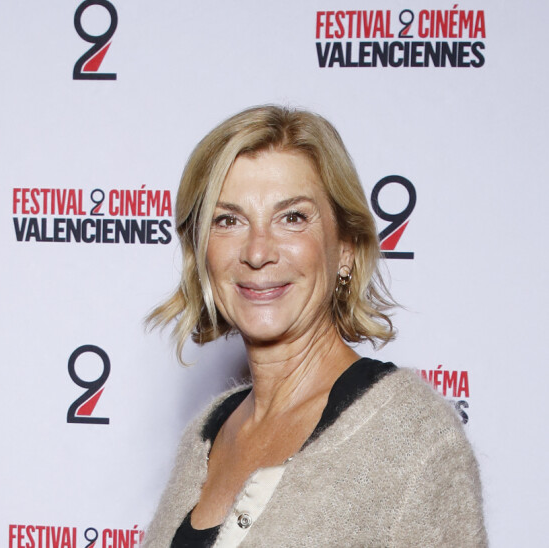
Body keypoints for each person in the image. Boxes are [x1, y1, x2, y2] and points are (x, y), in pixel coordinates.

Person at [143, 105, 487, 547]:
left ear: (345, 247)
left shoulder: (412, 438)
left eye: (292, 218)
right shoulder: (205, 435)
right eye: (228, 220)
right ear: (202, 254)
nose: (257, 251)